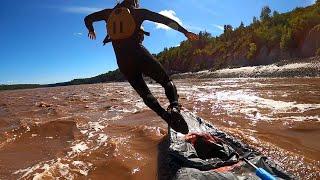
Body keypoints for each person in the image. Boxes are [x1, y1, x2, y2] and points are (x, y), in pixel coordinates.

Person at [84, 0, 198, 134]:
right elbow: (164, 20)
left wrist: (91, 30)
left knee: (146, 94)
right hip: (140, 55)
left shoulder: (108, 13)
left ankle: (167, 118)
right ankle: (174, 107)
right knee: (167, 81)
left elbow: (88, 19)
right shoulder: (138, 13)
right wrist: (185, 32)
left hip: (123, 62)